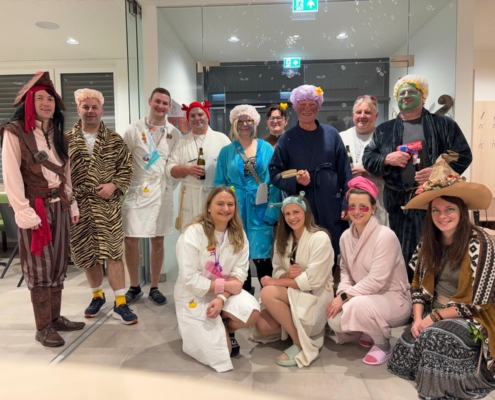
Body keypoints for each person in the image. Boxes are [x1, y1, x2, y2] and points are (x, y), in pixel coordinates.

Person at [388, 153, 495, 399]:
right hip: (434, 310)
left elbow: (478, 302)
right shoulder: (428, 242)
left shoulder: (481, 243)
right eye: (435, 210)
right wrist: (418, 319)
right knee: (407, 343)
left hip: (472, 316)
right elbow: (417, 285)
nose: (442, 215)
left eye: (449, 209)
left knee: (435, 337)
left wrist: (432, 318)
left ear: (461, 210)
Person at [0, 71, 85, 347]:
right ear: (29, 102)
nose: (46, 103)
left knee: (58, 263)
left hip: (59, 206)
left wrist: (71, 202)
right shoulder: (15, 133)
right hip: (35, 208)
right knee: (39, 267)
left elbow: (65, 174)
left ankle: (55, 318)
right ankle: (43, 327)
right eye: (40, 98)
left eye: (50, 99)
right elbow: (11, 176)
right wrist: (23, 211)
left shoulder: (60, 136)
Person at [362, 75, 472, 280]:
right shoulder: (384, 130)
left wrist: (438, 171)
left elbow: (463, 154)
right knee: (400, 253)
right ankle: (405, 293)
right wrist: (386, 158)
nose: (406, 96)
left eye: (411, 92)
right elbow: (368, 158)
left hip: (433, 200)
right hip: (398, 204)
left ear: (422, 96)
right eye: (401, 93)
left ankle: (432, 292)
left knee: (434, 249)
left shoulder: (444, 124)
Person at [66, 89, 137, 324]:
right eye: (85, 107)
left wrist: (114, 185)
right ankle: (97, 296)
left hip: (107, 206)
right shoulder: (66, 140)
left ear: (101, 111)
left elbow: (127, 169)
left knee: (114, 254)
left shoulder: (114, 140)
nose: (90, 111)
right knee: (88, 254)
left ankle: (120, 302)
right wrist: (70, 201)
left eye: (94, 107)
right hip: (79, 207)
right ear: (78, 110)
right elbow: (60, 175)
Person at [174, 186, 260, 373]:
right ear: (208, 207)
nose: (225, 209)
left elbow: (239, 275)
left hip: (224, 294)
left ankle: (226, 328)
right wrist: (225, 286)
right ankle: (195, 330)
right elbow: (190, 279)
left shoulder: (239, 235)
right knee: (222, 354)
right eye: (220, 204)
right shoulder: (192, 234)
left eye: (230, 204)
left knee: (252, 312)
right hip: (194, 295)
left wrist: (221, 298)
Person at [326, 177, 411, 365]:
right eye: (352, 206)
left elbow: (376, 280)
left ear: (373, 208)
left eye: (363, 207)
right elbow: (346, 271)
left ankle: (383, 345)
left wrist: (344, 297)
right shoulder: (346, 237)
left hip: (393, 298)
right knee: (334, 319)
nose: (357, 212)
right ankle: (369, 329)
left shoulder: (385, 236)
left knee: (355, 306)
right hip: (364, 296)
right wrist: (342, 292)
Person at [251, 193, 334, 368]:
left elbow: (313, 280)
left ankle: (301, 344)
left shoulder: (320, 238)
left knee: (268, 292)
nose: (292, 218)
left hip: (314, 295)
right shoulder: (283, 240)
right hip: (291, 293)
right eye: (287, 214)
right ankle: (294, 328)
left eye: (296, 212)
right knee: (262, 326)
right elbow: (278, 269)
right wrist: (286, 275)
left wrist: (276, 282)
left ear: (306, 213)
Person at [270, 85, 352, 257]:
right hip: (303, 205)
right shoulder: (287, 139)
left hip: (331, 203)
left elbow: (345, 172)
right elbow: (275, 173)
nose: (307, 109)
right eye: (302, 104)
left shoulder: (332, 134)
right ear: (295, 107)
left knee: (332, 251)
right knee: (304, 252)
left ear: (318, 106)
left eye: (311, 104)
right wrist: (295, 180)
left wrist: (346, 202)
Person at [122, 88, 181, 306]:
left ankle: (155, 286)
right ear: (150, 101)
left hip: (161, 190)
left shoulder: (174, 133)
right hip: (138, 189)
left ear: (169, 106)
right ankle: (134, 286)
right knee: (130, 239)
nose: (161, 106)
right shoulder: (133, 130)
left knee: (158, 239)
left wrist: (168, 186)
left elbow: (174, 164)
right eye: (158, 101)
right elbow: (123, 161)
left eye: (165, 103)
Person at [214, 105, 281, 293]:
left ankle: (268, 297)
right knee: (237, 255)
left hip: (261, 208)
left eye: (248, 120)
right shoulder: (226, 152)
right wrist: (221, 212)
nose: (244, 124)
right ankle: (242, 298)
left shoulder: (266, 148)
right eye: (240, 121)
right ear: (234, 123)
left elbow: (274, 182)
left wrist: (272, 211)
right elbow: (219, 184)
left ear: (255, 123)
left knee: (262, 256)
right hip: (234, 209)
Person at [167, 100, 230, 231]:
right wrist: (187, 169)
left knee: (214, 235)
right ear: (188, 119)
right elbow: (170, 169)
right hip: (190, 197)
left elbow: (232, 168)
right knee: (189, 236)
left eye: (200, 114)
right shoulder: (182, 142)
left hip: (215, 195)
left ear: (207, 116)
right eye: (192, 116)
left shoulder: (222, 139)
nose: (197, 118)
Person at [339, 95, 388, 226]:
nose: (362, 116)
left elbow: (394, 174)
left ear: (376, 115)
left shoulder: (385, 139)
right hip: (350, 201)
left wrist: (367, 172)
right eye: (358, 112)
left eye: (367, 112)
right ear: (353, 115)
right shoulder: (341, 137)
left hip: (378, 201)